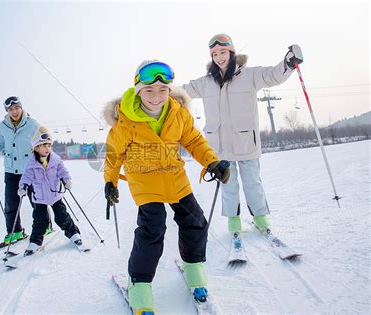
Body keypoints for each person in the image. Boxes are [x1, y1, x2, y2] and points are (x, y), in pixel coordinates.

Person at [103, 60, 230, 313]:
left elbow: (193, 140)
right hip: (144, 178)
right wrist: (110, 181)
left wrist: (212, 163)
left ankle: (193, 266)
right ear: (138, 90)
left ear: (170, 91)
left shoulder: (177, 112)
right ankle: (139, 283)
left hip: (174, 176)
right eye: (149, 90)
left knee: (195, 220)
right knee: (153, 227)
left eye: (163, 90)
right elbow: (113, 154)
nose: (156, 97)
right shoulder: (126, 120)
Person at [182, 34, 303, 237]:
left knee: (252, 183)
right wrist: (158, 90)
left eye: (223, 52)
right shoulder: (206, 82)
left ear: (231, 52)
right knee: (228, 185)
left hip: (246, 141)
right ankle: (234, 223)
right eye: (215, 54)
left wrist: (288, 64)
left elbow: (273, 75)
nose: (219, 57)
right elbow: (182, 91)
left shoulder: (249, 76)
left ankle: (261, 220)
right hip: (219, 146)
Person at [0, 96, 42, 247]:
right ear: (7, 111)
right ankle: (15, 232)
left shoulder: (32, 124)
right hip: (11, 170)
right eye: (10, 109)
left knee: (37, 201)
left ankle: (44, 225)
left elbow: (43, 141)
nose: (14, 112)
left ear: (21, 108)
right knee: (10, 203)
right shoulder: (3, 126)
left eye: (16, 108)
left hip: (30, 169)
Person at [18, 126, 82, 255]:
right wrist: (23, 186)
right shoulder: (31, 164)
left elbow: (63, 171)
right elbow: (26, 177)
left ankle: (74, 234)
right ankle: (35, 242)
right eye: (44, 145)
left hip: (55, 194)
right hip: (39, 197)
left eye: (49, 145)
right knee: (39, 220)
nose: (47, 148)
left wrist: (66, 179)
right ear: (36, 148)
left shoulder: (56, 160)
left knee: (62, 217)